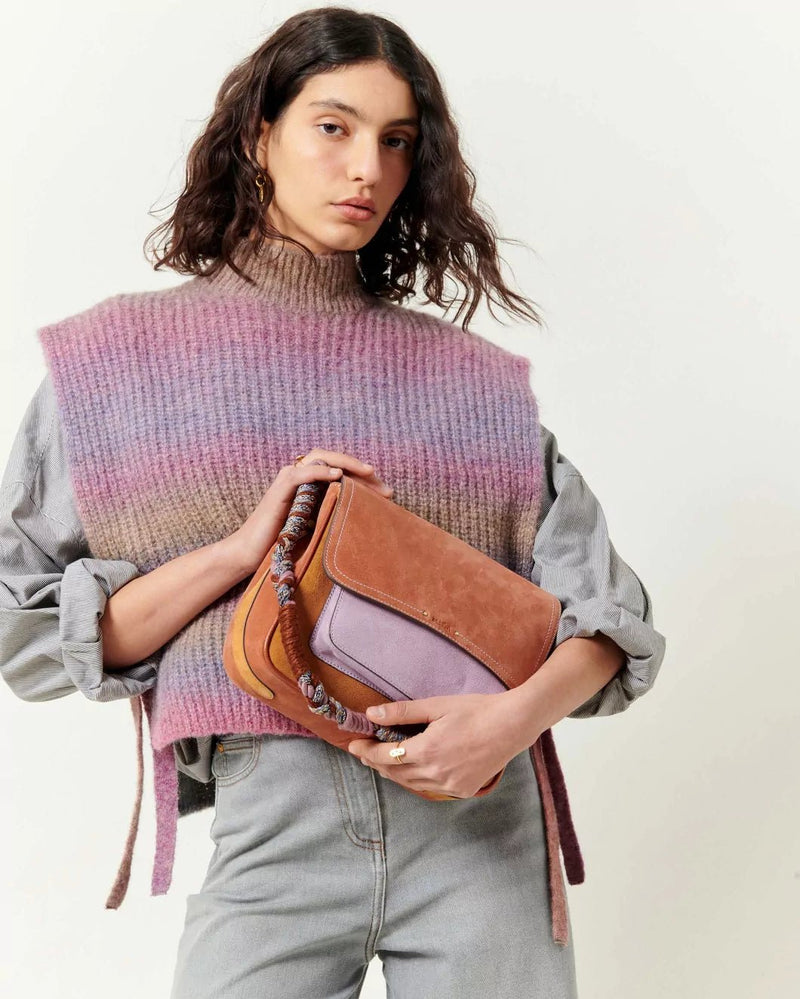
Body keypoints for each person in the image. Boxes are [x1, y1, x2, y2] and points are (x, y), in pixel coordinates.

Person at [0, 7, 666, 997]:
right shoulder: (111, 365)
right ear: (256, 134)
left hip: (482, 828)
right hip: (274, 819)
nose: (366, 168)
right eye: (333, 126)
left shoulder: (472, 381)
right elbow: (21, 630)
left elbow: (610, 618)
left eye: (396, 141)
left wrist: (509, 723)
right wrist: (237, 555)